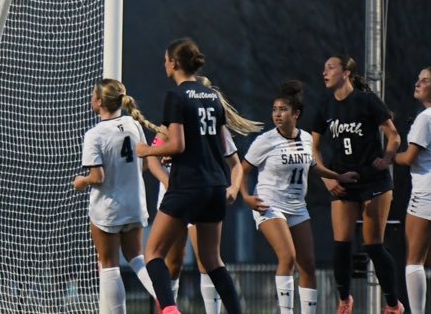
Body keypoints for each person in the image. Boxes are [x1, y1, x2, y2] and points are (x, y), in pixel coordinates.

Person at [135, 38, 245, 314]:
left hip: (188, 184)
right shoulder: (212, 97)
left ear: (173, 63)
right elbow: (219, 146)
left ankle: (170, 310)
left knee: (153, 253)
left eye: (165, 60)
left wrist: (147, 150)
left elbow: (178, 145)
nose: (164, 65)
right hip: (216, 184)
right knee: (212, 260)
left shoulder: (177, 96)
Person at [239, 81, 351, 314]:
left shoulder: (307, 139)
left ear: (296, 113)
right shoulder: (265, 141)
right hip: (269, 205)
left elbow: (313, 167)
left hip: (298, 207)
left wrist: (338, 176)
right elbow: (241, 169)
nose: (277, 114)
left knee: (308, 265)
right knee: (287, 256)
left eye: (283, 109)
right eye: (274, 110)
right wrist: (245, 196)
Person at [152, 75, 260, 314]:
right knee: (174, 261)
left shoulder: (211, 129)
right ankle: (169, 308)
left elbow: (236, 165)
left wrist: (233, 189)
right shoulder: (173, 124)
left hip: (192, 192)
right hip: (176, 194)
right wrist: (167, 179)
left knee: (205, 260)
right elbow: (155, 158)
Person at [307, 54, 403, 314]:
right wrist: (329, 179)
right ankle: (345, 300)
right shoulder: (325, 104)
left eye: (331, 67)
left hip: (374, 180)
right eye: (324, 67)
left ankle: (393, 304)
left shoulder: (366, 101)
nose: (324, 72)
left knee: (373, 244)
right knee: (342, 244)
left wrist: (386, 158)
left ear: (346, 73)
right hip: (342, 180)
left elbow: (393, 136)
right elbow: (313, 147)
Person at [73, 79, 150, 314]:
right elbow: (145, 163)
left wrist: (81, 181)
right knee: (137, 259)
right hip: (135, 205)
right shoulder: (132, 124)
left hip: (108, 210)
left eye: (92, 96)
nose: (90, 100)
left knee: (109, 266)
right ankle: (168, 303)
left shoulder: (94, 134)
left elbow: (97, 177)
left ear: (99, 102)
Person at [398, 66, 431, 314]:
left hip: (426, 192)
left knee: (414, 259)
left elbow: (409, 157)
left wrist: (389, 158)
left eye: (425, 81)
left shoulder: (426, 118)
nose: (418, 83)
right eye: (418, 79)